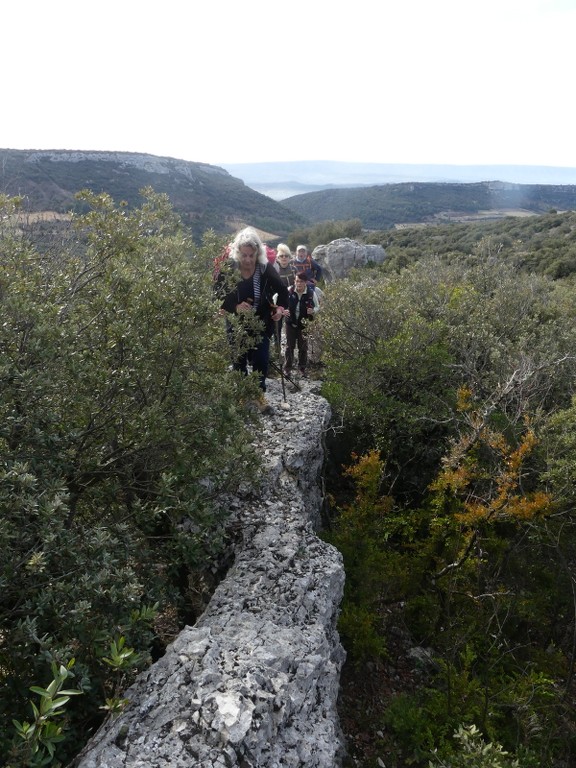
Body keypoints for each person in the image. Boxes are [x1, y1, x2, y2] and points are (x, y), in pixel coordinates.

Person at [216, 227, 289, 406]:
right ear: (237, 253)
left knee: (261, 359)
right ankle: (242, 393)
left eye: (252, 255)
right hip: (236, 323)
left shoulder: (265, 270)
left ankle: (258, 393)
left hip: (261, 321)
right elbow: (217, 293)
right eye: (244, 255)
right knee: (238, 359)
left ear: (258, 253)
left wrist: (279, 309)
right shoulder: (228, 270)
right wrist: (234, 306)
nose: (248, 260)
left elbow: (283, 292)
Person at [282, 271, 321, 378]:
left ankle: (302, 368)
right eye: (297, 281)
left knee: (303, 347)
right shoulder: (289, 291)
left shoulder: (311, 293)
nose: (299, 284)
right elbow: (278, 301)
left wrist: (313, 311)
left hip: (304, 325)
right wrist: (282, 310)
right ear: (294, 281)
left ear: (306, 282)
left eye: (301, 281)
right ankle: (287, 368)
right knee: (289, 347)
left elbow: (318, 307)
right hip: (290, 323)